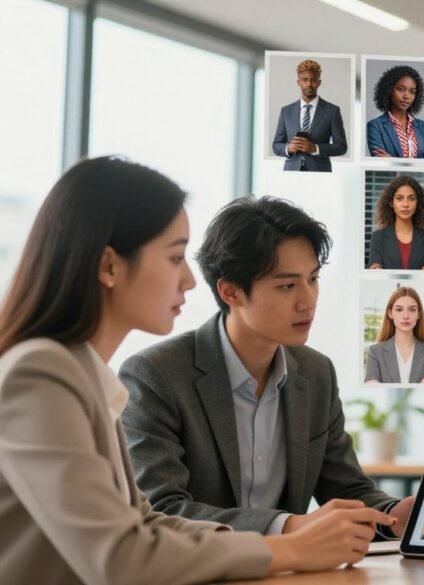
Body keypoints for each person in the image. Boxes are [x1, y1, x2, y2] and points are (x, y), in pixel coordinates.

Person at [0, 157, 394, 584]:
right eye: (174, 258)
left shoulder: (83, 377)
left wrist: (386, 517)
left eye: (312, 279)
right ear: (109, 266)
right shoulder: (40, 375)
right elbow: (120, 556)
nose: (189, 280)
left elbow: (146, 524)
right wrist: (290, 544)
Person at [119, 195, 415, 537]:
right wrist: (288, 526)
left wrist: (394, 514)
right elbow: (163, 508)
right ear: (231, 291)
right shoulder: (155, 375)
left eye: (313, 279)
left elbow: (345, 489)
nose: (308, 300)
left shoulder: (315, 372)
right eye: (287, 285)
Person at [271, 59, 348, 172]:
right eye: (305, 80)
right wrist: (289, 148)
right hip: (291, 172)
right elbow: (276, 145)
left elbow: (341, 147)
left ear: (319, 82)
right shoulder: (286, 111)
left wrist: (315, 148)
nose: (309, 84)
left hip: (320, 173)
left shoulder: (332, 111)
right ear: (299, 82)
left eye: (313, 80)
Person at [364, 287, 424, 384]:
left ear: (419, 314)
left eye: (412, 310)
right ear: (390, 313)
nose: (406, 316)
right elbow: (373, 390)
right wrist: (420, 386)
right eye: (399, 309)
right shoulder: (375, 352)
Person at [367, 64, 424, 159]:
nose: (406, 96)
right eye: (400, 89)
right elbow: (381, 164)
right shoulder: (376, 126)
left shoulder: (422, 126)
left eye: (412, 92)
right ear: (390, 90)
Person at [367, 176, 424, 270]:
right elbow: (375, 272)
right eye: (399, 198)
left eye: (411, 199)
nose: (405, 204)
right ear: (391, 202)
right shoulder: (378, 237)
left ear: (418, 203)